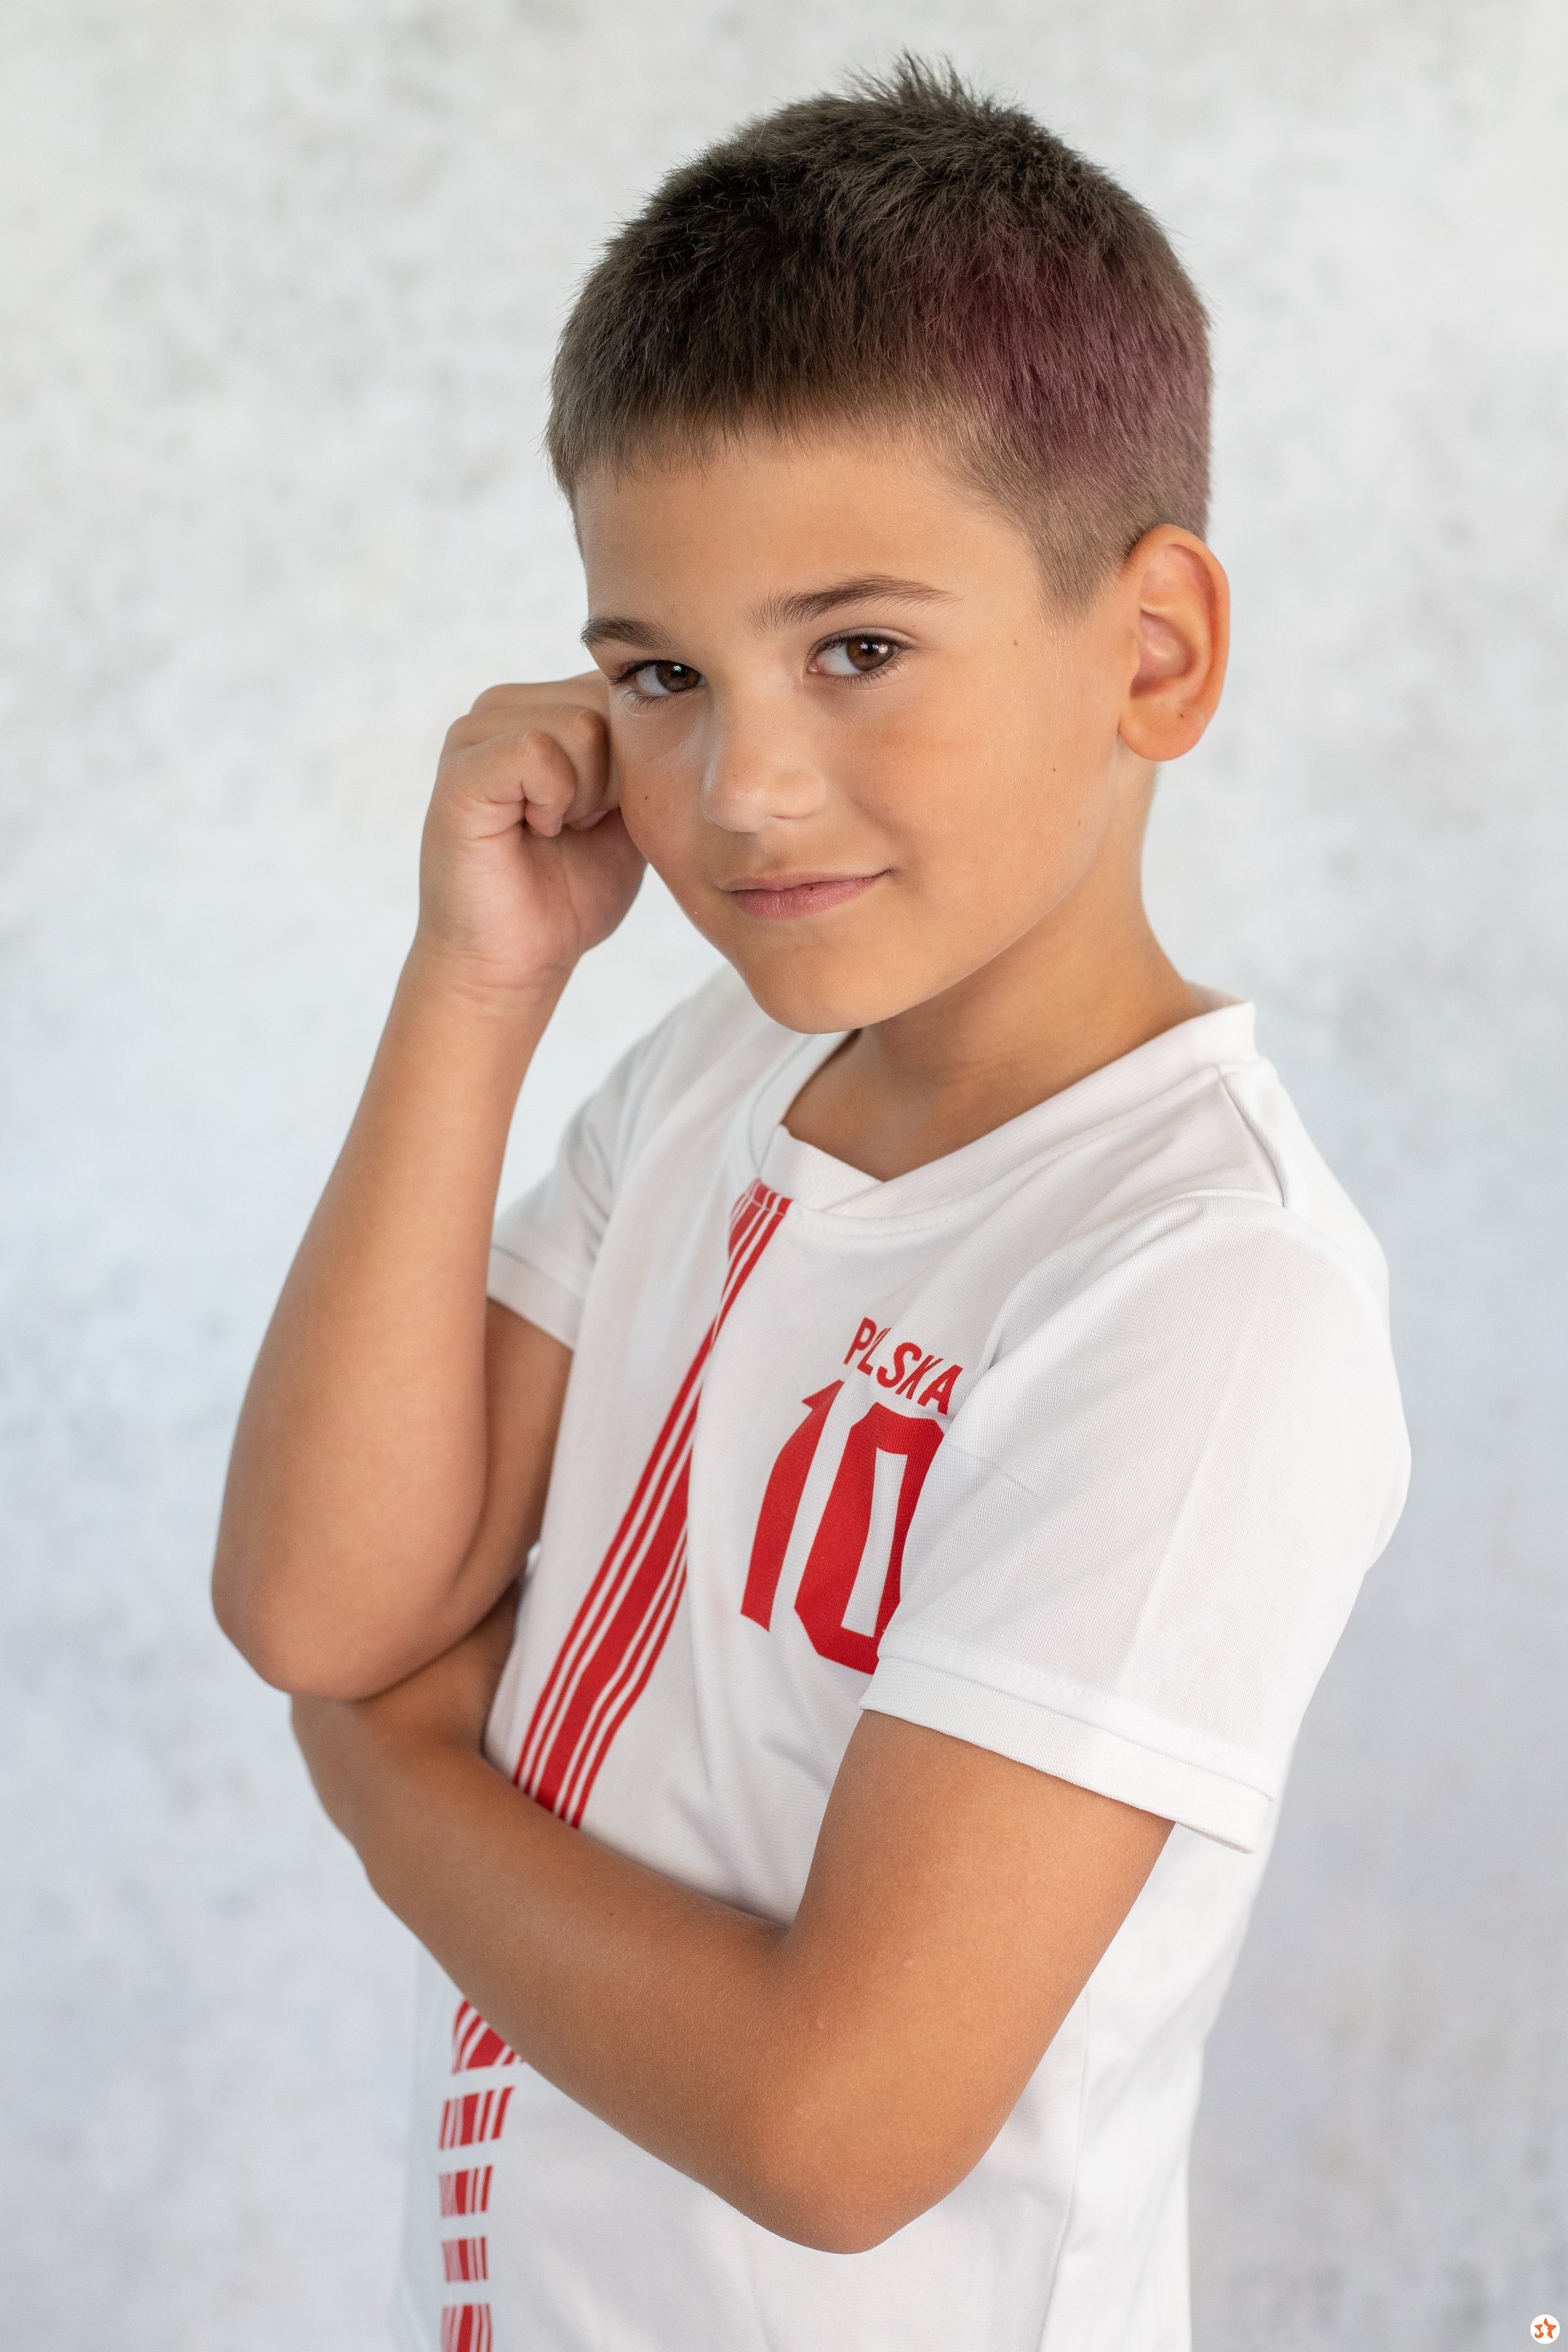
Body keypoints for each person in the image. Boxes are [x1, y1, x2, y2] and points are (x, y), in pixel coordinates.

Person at [212, 57, 1410, 2352]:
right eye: (661, 674)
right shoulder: (715, 1068)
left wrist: (390, 1775)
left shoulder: (1203, 1289)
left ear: (1153, 651)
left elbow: (833, 2125)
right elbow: (320, 1602)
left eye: (857, 648)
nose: (743, 786)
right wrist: (478, 985)